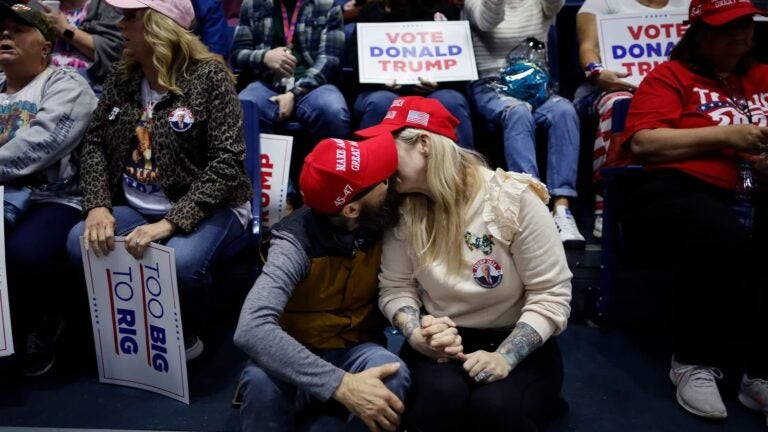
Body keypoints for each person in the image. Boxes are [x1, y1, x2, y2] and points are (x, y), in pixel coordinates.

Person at [356, 96, 572, 431]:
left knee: (495, 408)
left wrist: (505, 357)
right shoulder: (402, 206)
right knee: (439, 403)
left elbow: (551, 294)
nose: (381, 159)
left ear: (424, 144)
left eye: (389, 145)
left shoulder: (512, 199)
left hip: (514, 336)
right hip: (442, 339)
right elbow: (396, 286)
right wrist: (415, 334)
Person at [66, 0, 253, 362]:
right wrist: (98, 205)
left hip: (213, 205)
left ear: (159, 25)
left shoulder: (209, 77)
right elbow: (94, 144)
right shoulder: (124, 76)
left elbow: (227, 163)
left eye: (130, 17)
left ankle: (187, 331)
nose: (120, 25)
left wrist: (170, 223)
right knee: (80, 240)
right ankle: (133, 325)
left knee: (181, 264)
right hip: (138, 205)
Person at [608, 0, 768, 422]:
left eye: (746, 27)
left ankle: (759, 376)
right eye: (727, 29)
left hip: (756, 188)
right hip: (677, 186)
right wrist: (728, 136)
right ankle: (692, 362)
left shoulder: (762, 75)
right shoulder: (669, 76)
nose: (741, 37)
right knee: (718, 236)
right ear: (699, 33)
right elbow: (645, 142)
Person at [234, 135, 410, 431]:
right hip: (296, 353)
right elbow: (250, 328)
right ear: (351, 210)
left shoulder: (383, 213)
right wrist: (340, 385)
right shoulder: (292, 244)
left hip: (354, 347)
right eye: (380, 180)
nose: (389, 180)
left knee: (393, 374)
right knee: (259, 383)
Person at [0, 1, 97, 377]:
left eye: (19, 29)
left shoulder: (68, 85)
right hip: (4, 196)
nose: (6, 34)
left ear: (46, 45)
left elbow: (40, 145)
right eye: (2, 28)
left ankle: (43, 321)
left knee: (22, 254)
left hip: (54, 197)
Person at [464, 0, 586, 249]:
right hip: (491, 83)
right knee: (518, 113)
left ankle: (562, 209)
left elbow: (555, 5)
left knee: (564, 110)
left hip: (535, 84)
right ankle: (533, 207)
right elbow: (488, 21)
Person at [575, 0, 690, 238]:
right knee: (619, 104)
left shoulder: (687, 4)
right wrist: (597, 71)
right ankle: (604, 202)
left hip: (670, 89)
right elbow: (588, 47)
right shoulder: (602, 3)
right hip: (612, 87)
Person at [351, 0, 475, 150]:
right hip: (381, 90)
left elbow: (458, 64)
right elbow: (356, 64)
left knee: (451, 101)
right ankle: (367, 169)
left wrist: (440, 82)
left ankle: (464, 170)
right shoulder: (371, 11)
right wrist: (380, 81)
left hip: (437, 89)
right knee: (381, 102)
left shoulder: (443, 9)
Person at [232, 0, 350, 146]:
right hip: (267, 84)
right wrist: (264, 57)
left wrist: (294, 93)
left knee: (333, 110)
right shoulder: (252, 4)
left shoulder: (327, 5)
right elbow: (237, 54)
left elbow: (330, 59)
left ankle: (325, 167)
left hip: (314, 87)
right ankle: (254, 169)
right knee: (245, 105)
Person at [39, 0, 122, 86]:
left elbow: (112, 52)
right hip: (44, 79)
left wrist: (65, 29)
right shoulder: (40, 5)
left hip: (88, 83)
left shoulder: (107, 5)